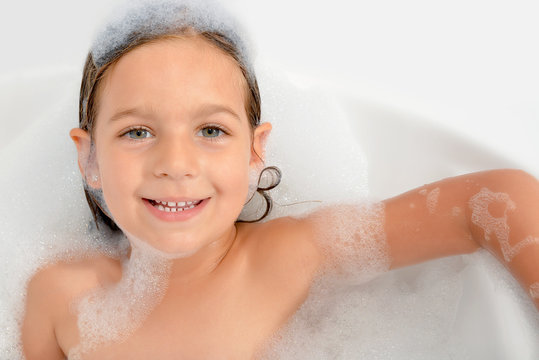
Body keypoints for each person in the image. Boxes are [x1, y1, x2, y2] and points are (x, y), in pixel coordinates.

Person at [21, 1, 539, 358]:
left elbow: (492, 201)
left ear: (254, 152)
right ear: (88, 158)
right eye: (137, 131)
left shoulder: (287, 256)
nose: (175, 163)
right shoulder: (57, 294)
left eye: (210, 129)